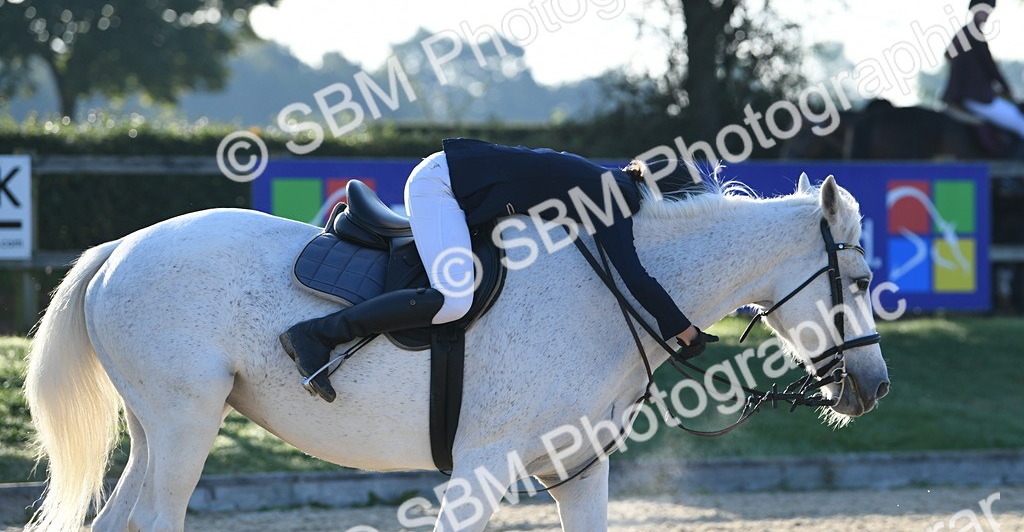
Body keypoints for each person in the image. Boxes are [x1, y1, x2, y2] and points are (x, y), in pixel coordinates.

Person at [280, 139, 718, 401]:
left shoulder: (607, 185)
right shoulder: (616, 196)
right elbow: (633, 277)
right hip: (442, 184)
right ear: (666, 201)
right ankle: (318, 334)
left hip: (456, 177)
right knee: (453, 300)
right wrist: (684, 331)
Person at [942, 0, 1024, 153]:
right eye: (982, 8)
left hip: (963, 95)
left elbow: (948, 55)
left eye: (988, 10)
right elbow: (990, 67)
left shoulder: (962, 34)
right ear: (973, 9)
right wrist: (1006, 88)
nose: (986, 13)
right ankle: (1010, 175)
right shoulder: (974, 35)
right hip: (978, 98)